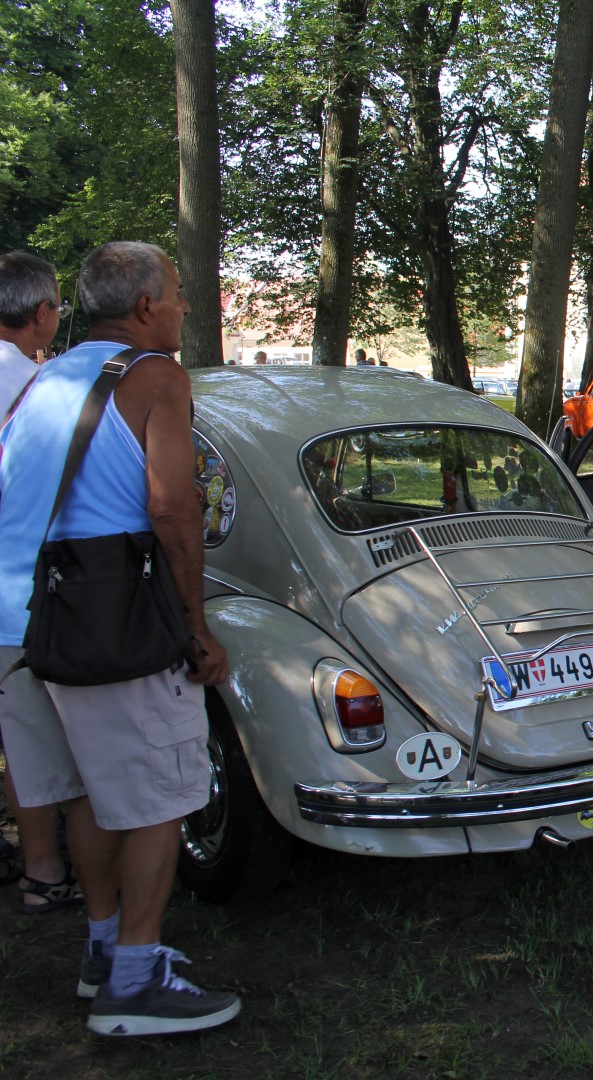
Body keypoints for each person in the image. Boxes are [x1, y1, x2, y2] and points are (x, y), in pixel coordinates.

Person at [0, 241, 238, 1036]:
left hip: (28, 618)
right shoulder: (153, 377)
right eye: (175, 294)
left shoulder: (45, 377)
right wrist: (195, 627)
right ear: (143, 307)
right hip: (114, 617)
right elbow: (172, 508)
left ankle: (102, 950)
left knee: (87, 792)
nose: (181, 309)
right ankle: (134, 983)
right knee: (159, 799)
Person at [0, 251, 82, 914]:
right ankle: (83, 876)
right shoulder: (45, 385)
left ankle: (41, 871)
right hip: (34, 586)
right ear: (41, 314)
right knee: (68, 747)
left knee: (19, 743)